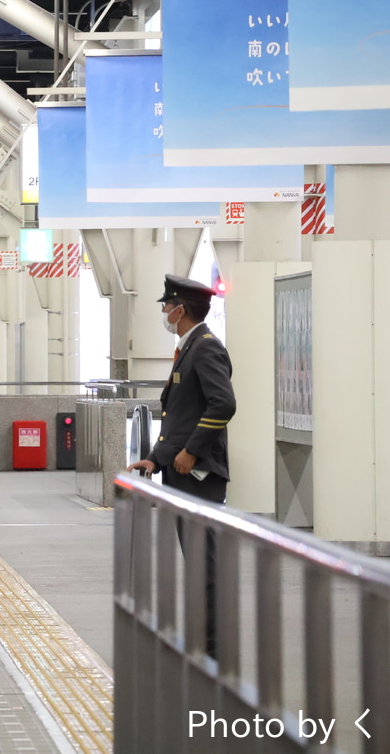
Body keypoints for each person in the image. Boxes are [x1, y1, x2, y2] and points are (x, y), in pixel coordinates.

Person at [129, 274, 235, 658]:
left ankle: (213, 645)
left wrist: (191, 450)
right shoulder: (190, 347)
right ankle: (202, 638)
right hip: (180, 471)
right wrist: (155, 458)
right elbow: (181, 415)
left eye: (167, 306)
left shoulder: (206, 348)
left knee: (203, 559)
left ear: (181, 309)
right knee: (196, 557)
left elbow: (223, 404)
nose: (164, 313)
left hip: (198, 473)